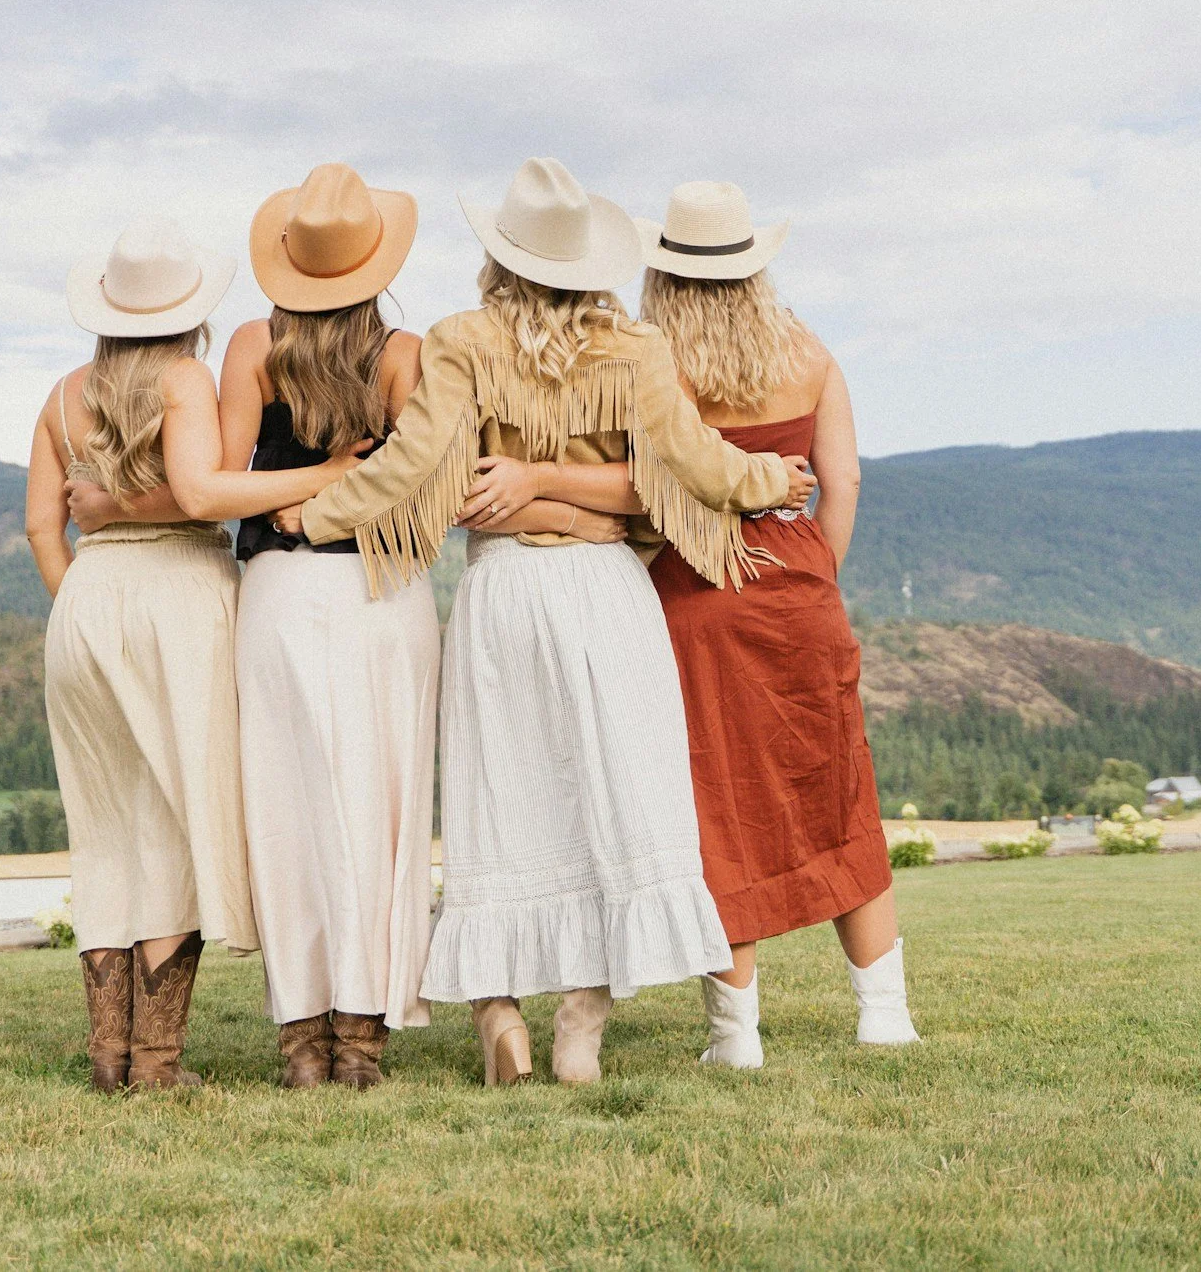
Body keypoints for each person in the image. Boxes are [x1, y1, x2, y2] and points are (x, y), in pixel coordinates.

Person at [294, 157, 814, 1086]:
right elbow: (694, 464)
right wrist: (772, 479)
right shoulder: (633, 350)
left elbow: (410, 467)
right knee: (615, 806)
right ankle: (582, 1021)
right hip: (607, 592)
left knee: (503, 806)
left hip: (505, 596)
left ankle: (502, 1013)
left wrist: (316, 516)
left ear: (501, 257)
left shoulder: (462, 341)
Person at [23, 216, 360, 1092]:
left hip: (89, 603)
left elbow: (39, 524)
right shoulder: (183, 379)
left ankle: (109, 1054)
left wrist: (87, 603)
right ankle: (158, 1060)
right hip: (180, 597)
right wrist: (327, 477)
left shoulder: (61, 394)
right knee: (179, 815)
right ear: (188, 314)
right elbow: (207, 492)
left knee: (102, 828)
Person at [636, 181, 917, 1065]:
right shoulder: (810, 353)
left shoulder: (658, 366)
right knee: (840, 792)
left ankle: (736, 1034)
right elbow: (847, 483)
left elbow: (647, 494)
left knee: (722, 805)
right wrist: (813, 570)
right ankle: (883, 1012)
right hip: (800, 589)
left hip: (697, 595)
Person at [217, 163, 440, 1088]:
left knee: (288, 806)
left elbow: (219, 486)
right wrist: (338, 484)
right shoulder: (403, 355)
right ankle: (362, 1038)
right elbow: (426, 491)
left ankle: (302, 1040)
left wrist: (291, 500)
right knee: (378, 807)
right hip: (381, 594)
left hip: (276, 594)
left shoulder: (249, 348)